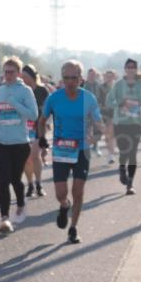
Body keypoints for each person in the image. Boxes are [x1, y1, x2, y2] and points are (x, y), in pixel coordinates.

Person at [39, 60, 103, 244]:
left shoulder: (88, 98)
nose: (69, 82)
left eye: (73, 78)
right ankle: (64, 205)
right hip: (61, 151)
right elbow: (42, 120)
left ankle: (73, 228)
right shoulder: (54, 98)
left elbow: (98, 121)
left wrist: (97, 136)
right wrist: (42, 137)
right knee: (61, 193)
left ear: (80, 79)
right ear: (62, 78)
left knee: (78, 191)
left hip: (82, 150)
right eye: (66, 78)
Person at [0, 57, 38, 233]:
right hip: (0, 142)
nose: (8, 75)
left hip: (19, 143)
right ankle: (4, 218)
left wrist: (15, 103)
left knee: (14, 180)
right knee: (3, 180)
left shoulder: (25, 91)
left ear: (18, 73)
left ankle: (20, 202)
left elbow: (33, 115)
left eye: (11, 72)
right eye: (6, 72)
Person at [104, 58, 141, 194]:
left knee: (133, 152)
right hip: (121, 123)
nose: (131, 69)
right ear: (125, 69)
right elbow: (108, 101)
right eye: (128, 67)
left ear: (136, 69)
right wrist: (120, 103)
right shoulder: (119, 84)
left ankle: (130, 184)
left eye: (133, 67)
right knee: (124, 151)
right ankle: (121, 168)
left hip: (136, 123)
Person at [21, 64, 49, 198]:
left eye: (26, 77)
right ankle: (30, 184)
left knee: (35, 155)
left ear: (32, 77)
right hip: (23, 128)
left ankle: (39, 184)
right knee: (26, 158)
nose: (23, 79)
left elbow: (48, 110)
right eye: (22, 77)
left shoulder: (42, 91)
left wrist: (46, 125)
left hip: (38, 127)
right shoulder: (20, 90)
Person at [96, 70, 118, 163]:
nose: (109, 78)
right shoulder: (100, 87)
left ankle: (111, 154)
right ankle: (110, 151)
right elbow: (97, 100)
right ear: (104, 77)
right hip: (104, 112)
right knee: (107, 135)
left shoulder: (118, 86)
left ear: (114, 77)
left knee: (112, 133)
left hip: (115, 112)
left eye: (111, 76)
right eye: (107, 76)